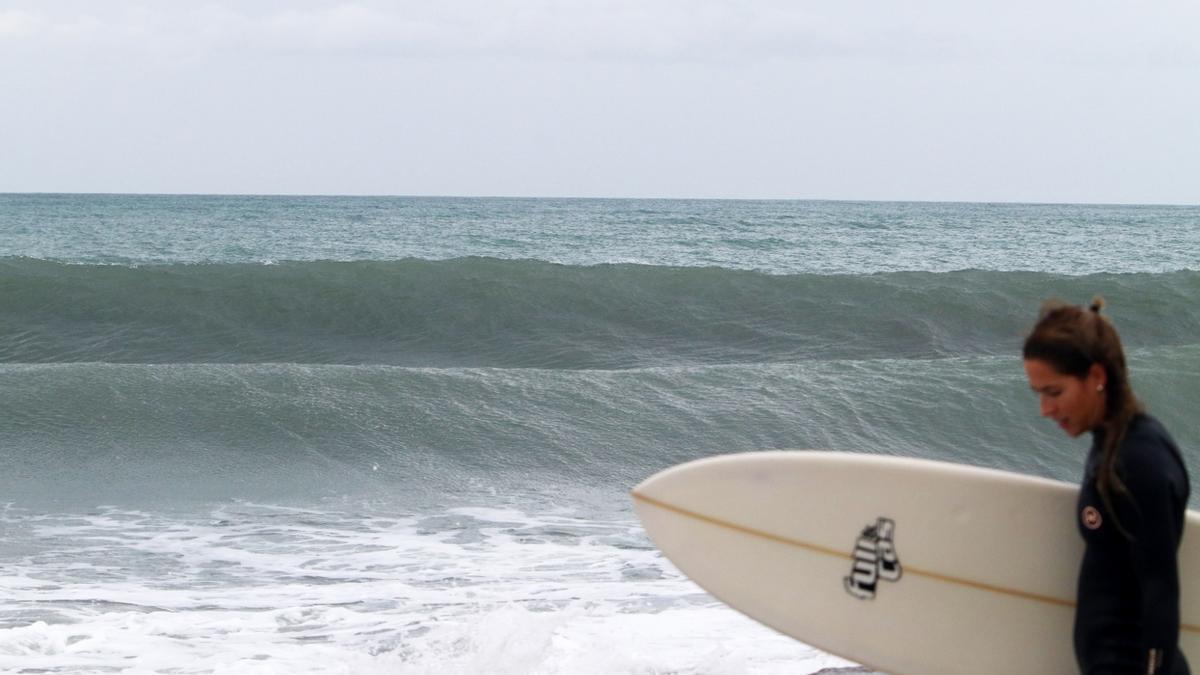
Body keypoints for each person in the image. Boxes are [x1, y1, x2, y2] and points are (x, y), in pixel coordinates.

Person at [1023, 297, 1190, 674]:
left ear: (1097, 377)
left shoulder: (1140, 460)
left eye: (1054, 393)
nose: (1045, 410)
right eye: (1039, 395)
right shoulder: (1112, 443)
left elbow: (1161, 589)